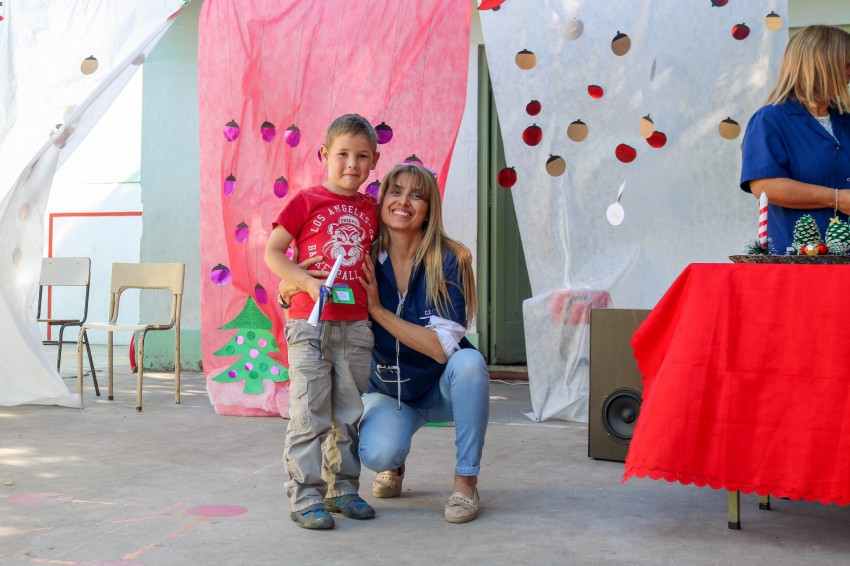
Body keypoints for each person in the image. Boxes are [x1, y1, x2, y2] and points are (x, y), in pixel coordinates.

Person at [264, 113, 380, 530]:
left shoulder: (371, 209)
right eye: (343, 154)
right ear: (324, 155)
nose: (352, 164)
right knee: (309, 414)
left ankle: (343, 488)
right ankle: (305, 495)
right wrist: (301, 283)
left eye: (362, 156)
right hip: (309, 326)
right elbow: (273, 253)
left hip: (355, 326)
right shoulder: (305, 201)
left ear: (374, 161)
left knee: (349, 414)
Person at [357, 162, 490, 524]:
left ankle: (466, 482)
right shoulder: (363, 256)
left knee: (469, 364)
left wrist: (379, 311)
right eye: (396, 191)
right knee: (377, 452)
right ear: (381, 199)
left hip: (441, 388)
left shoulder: (450, 259)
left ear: (429, 208)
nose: (404, 201)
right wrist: (293, 286)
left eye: (417, 195)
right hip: (389, 389)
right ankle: (395, 463)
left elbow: (438, 347)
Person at [740, 25, 850, 255]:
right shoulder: (770, 120)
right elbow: (765, 187)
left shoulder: (846, 119)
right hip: (800, 262)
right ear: (821, 64)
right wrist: (837, 198)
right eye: (847, 63)